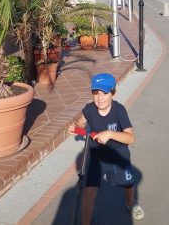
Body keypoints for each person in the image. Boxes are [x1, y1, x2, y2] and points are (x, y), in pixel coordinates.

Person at [69, 73, 144, 224]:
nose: (99, 98)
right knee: (89, 192)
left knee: (127, 183)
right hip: (96, 155)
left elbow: (130, 138)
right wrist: (75, 127)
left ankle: (130, 202)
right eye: (96, 93)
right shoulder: (89, 109)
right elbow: (80, 123)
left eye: (104, 93)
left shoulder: (119, 110)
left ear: (113, 93)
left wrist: (109, 134)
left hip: (118, 154)